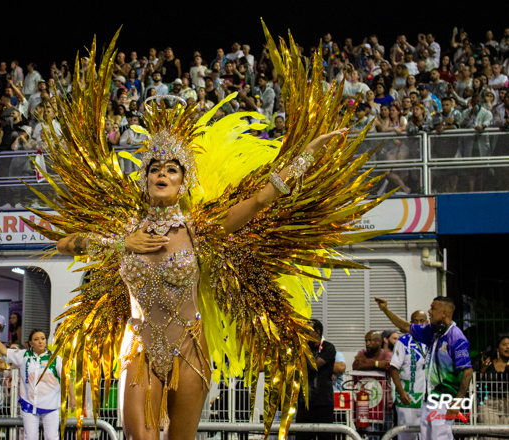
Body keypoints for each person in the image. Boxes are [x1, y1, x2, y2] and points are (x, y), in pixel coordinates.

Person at [34, 28, 392, 440]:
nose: (161, 174)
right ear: (144, 179)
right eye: (154, 168)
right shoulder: (124, 227)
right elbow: (65, 243)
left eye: (171, 169)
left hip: (190, 349)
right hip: (138, 349)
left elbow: (260, 200)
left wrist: (306, 158)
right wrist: (120, 243)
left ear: (183, 182)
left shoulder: (200, 228)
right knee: (140, 437)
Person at [375, 297, 473, 440]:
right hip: (429, 401)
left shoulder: (456, 337)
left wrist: (457, 402)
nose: (429, 311)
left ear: (444, 312)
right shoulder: (433, 332)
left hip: (444, 402)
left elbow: (467, 371)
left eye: (433, 308)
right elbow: (405, 326)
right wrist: (385, 310)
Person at [0, 322, 74, 440]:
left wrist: (72, 398)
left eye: (43, 338)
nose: (41, 341)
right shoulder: (23, 355)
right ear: (31, 343)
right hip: (29, 404)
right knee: (30, 437)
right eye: (36, 339)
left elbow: (66, 377)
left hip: (51, 404)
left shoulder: (55, 357)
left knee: (51, 437)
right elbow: (4, 350)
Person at [295, 319, 337, 440]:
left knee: (325, 437)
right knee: (302, 436)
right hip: (304, 403)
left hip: (323, 403)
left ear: (317, 332)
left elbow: (314, 365)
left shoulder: (328, 347)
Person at [390, 311, 428, 440]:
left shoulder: (432, 340)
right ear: (410, 324)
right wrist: (401, 391)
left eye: (422, 321)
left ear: (427, 323)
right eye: (415, 321)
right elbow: (393, 368)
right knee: (407, 436)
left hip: (428, 400)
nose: (418, 324)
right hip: (407, 400)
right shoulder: (403, 342)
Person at [478, 336, 509, 427]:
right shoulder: (489, 363)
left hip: (507, 405)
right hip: (489, 405)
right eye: (504, 344)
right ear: (498, 348)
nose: (508, 347)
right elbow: (477, 381)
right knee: (490, 435)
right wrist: (483, 369)